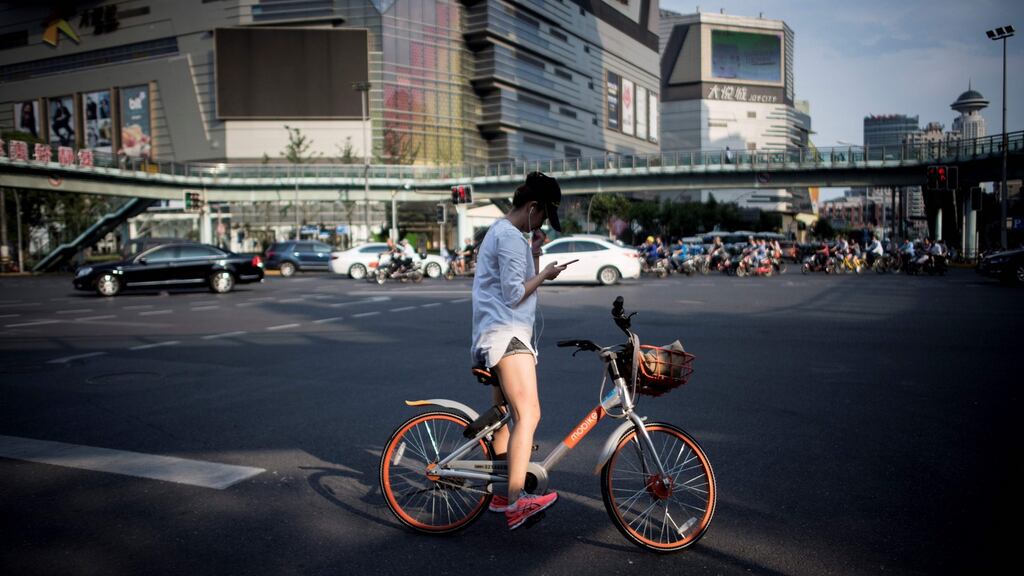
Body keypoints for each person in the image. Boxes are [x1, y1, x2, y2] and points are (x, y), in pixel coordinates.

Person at [471, 171, 569, 530]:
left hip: (494, 335)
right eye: (542, 215)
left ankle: (501, 495)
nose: (542, 222)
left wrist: (536, 260)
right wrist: (544, 275)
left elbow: (510, 286)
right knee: (529, 415)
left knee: (503, 417)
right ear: (531, 208)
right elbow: (515, 294)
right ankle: (516, 502)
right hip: (507, 337)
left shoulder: (502, 233)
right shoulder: (509, 237)